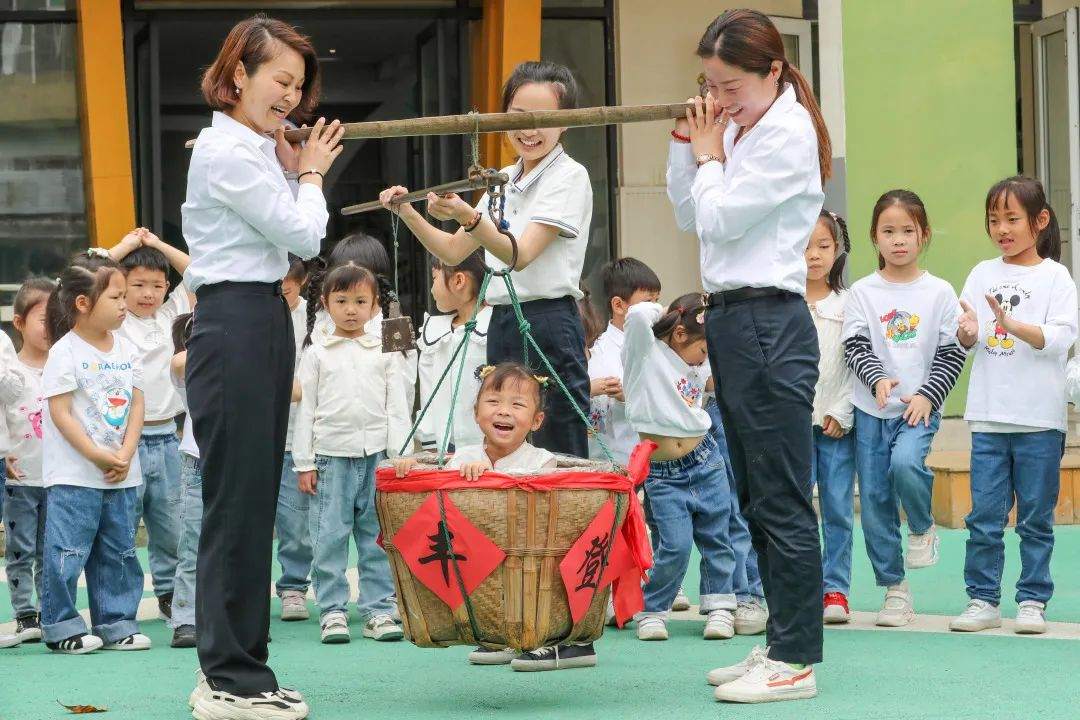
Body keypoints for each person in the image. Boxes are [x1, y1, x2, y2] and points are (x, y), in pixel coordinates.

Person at [181, 15, 343, 719]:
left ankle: (242, 670)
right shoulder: (229, 153)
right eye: (281, 80)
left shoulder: (250, 149)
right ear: (239, 72)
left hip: (257, 318)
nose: (291, 98)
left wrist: (289, 170)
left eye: (299, 87)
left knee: (250, 501)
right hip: (237, 321)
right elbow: (305, 233)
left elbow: (284, 230)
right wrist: (309, 173)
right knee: (238, 505)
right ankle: (228, 679)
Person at [668, 10, 829, 702]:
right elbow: (685, 211)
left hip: (769, 319)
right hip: (735, 317)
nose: (720, 99)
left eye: (729, 85)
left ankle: (795, 656)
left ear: (772, 70)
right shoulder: (738, 125)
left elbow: (719, 217)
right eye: (709, 84)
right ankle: (776, 642)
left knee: (781, 496)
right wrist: (687, 145)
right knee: (753, 495)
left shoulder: (787, 131)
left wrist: (708, 156)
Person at [380, 60, 593, 458]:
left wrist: (468, 216)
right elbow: (452, 251)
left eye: (543, 118)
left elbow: (521, 254)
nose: (529, 131)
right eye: (517, 118)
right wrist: (407, 212)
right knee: (504, 443)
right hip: (504, 321)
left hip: (548, 321)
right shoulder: (504, 179)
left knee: (558, 441)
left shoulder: (569, 176)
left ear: (567, 122)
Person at [950, 177, 1078, 635]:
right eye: (993, 220)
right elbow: (966, 336)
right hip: (988, 416)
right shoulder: (982, 273)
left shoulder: (1055, 277)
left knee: (1036, 519)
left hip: (1040, 421)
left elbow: (1059, 338)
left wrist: (1009, 322)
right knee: (984, 516)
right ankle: (982, 599)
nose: (1001, 229)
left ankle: (1032, 600)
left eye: (1011, 219)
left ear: (1040, 221)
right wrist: (967, 330)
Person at [393, 362, 578, 670]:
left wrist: (488, 476)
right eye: (493, 402)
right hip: (475, 556)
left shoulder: (542, 460)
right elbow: (436, 482)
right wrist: (410, 467)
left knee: (526, 583)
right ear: (476, 412)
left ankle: (537, 636)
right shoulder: (464, 456)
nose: (503, 411)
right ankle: (496, 635)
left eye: (517, 405)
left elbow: (531, 489)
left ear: (536, 420)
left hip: (526, 556)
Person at [843, 190, 965, 627]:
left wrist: (928, 395)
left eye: (907, 231)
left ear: (924, 235)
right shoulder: (862, 292)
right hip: (872, 410)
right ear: (874, 237)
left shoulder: (940, 292)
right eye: (888, 231)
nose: (898, 240)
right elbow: (854, 344)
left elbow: (952, 353)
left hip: (919, 407)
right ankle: (895, 589)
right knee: (874, 501)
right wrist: (876, 378)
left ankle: (921, 526)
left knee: (907, 464)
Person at [293, 264, 409, 645]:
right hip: (329, 457)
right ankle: (332, 609)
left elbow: (397, 405)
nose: (351, 309)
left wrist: (400, 453)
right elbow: (306, 409)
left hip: (376, 457)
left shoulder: (384, 349)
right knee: (328, 536)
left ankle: (378, 609)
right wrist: (304, 461)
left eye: (360, 301)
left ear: (375, 306)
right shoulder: (316, 352)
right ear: (325, 303)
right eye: (341, 301)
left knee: (375, 536)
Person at [40, 252, 148, 654]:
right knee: (67, 551)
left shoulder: (126, 345)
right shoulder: (64, 352)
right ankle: (60, 626)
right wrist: (98, 455)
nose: (125, 305)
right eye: (116, 297)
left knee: (119, 550)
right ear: (83, 304)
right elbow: (61, 413)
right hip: (75, 475)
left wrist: (125, 451)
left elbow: (138, 403)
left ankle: (117, 623)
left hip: (121, 471)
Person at [623, 295, 736, 642]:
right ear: (681, 335)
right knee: (675, 545)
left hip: (705, 458)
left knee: (717, 536)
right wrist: (678, 314)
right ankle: (654, 608)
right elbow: (637, 314)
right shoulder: (646, 354)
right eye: (704, 351)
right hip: (663, 473)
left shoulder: (698, 366)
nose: (707, 361)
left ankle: (719, 606)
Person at [109, 227, 192, 621]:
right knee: (123, 525)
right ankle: (120, 602)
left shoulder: (174, 313)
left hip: (169, 435)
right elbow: (90, 272)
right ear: (120, 287)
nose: (147, 293)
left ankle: (169, 593)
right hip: (124, 439)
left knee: (170, 523)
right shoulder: (115, 318)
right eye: (137, 284)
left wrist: (156, 244)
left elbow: (197, 272)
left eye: (156, 285)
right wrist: (127, 247)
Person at [805, 210, 857, 624]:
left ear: (838, 250)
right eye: (805, 246)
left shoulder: (849, 303)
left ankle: (835, 588)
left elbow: (860, 364)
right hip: (794, 425)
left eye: (823, 246)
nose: (814, 256)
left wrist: (843, 411)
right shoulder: (783, 303)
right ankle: (801, 586)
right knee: (796, 508)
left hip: (836, 426)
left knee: (838, 506)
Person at [1, 278, 56, 647]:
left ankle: (52, 611)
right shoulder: (10, 372)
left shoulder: (65, 366)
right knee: (21, 548)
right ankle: (25, 614)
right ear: (19, 322)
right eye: (42, 318)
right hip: (21, 477)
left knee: (53, 549)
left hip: (59, 477)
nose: (51, 326)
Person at [587, 258, 661, 465]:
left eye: (657, 301)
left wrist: (627, 396)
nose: (656, 310)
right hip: (606, 464)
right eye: (648, 302)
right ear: (619, 305)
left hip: (653, 463)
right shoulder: (595, 352)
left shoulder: (661, 347)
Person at [416, 249, 490, 453]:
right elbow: (428, 393)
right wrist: (430, 444)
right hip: (445, 447)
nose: (431, 289)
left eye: (434, 279)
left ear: (458, 281)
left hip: (491, 446)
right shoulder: (433, 333)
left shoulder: (495, 327)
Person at [276, 256, 315, 623]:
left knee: (296, 522)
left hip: (295, 434)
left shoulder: (316, 318)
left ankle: (293, 586)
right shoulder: (254, 314)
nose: (282, 286)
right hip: (256, 432)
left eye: (289, 281)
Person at [168, 313, 201, 648]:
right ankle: (185, 618)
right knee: (192, 545)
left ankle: (236, 619)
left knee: (237, 546)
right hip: (198, 465)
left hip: (238, 462)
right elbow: (179, 361)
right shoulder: (187, 368)